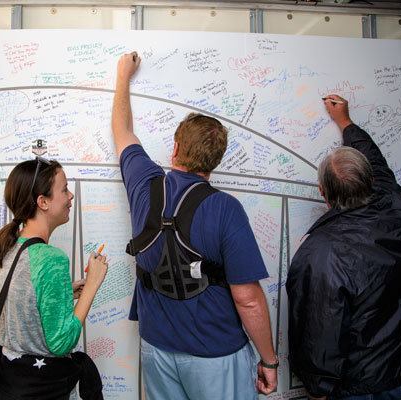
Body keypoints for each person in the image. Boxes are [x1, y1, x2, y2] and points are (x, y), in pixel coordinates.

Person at [112, 52, 278, 399]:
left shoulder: (145, 183)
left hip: (156, 351)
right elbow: (248, 300)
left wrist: (123, 75)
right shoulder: (226, 209)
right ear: (215, 161)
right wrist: (269, 361)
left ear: (174, 148)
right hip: (215, 356)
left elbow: (122, 130)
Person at [287, 94, 401, 400]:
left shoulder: (321, 253)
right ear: (370, 182)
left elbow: (318, 332)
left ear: (323, 193)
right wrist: (346, 123)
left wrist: (319, 392)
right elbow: (378, 166)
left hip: (364, 388)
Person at [0, 157, 109, 400]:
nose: (70, 196)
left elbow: (25, 305)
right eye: (64, 189)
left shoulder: (11, 248)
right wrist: (92, 285)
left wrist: (66, 291)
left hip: (10, 384)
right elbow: (62, 343)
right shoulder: (51, 259)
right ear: (43, 202)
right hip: (41, 390)